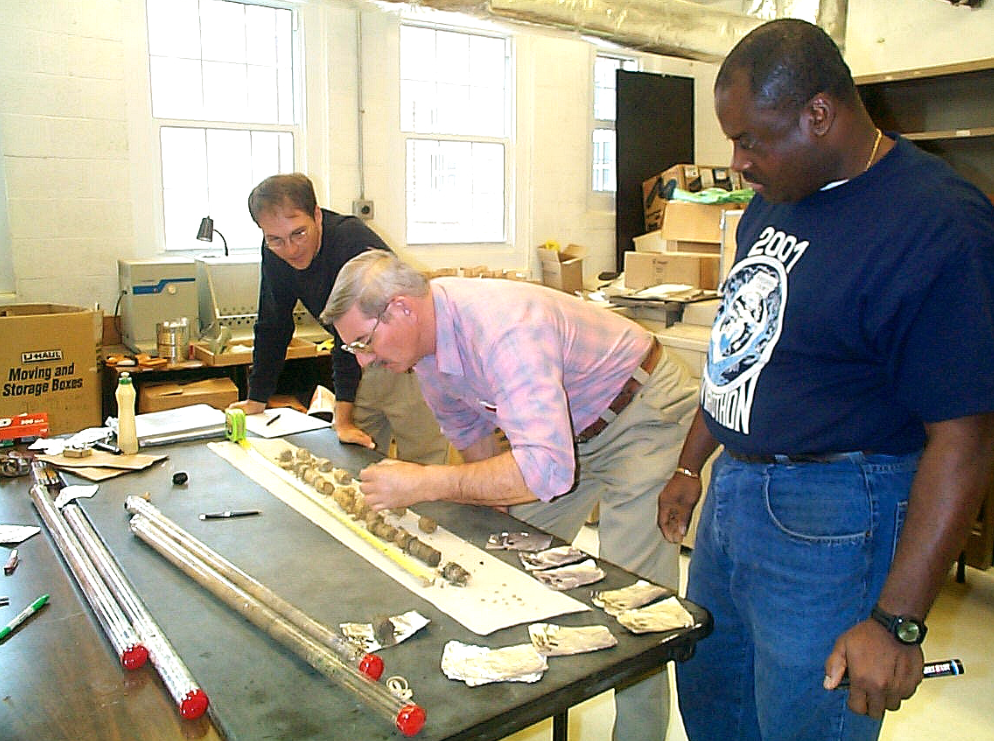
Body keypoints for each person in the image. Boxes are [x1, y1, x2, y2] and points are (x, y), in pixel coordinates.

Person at [656, 19, 994, 741]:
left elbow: (965, 439)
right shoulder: (777, 195)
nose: (740, 161)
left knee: (805, 725)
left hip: (836, 515)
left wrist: (894, 620)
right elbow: (739, 347)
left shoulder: (938, 223)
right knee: (713, 704)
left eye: (752, 138)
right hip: (735, 501)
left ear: (819, 113)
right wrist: (694, 460)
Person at [322, 250, 699, 741]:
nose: (366, 360)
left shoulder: (503, 329)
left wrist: (424, 481)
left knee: (634, 609)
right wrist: (490, 507)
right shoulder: (424, 348)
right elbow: (471, 431)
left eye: (364, 342)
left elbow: (543, 469)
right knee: (499, 554)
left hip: (637, 412)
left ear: (401, 309)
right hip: (566, 432)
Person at [228, 173, 447, 465]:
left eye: (299, 233)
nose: (290, 249)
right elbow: (273, 325)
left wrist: (342, 416)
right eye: (275, 240)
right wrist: (257, 398)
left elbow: (353, 336)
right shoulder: (275, 254)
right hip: (360, 359)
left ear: (317, 215)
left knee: (423, 466)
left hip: (409, 361)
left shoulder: (350, 242)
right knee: (356, 461)